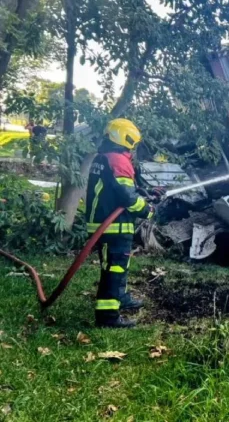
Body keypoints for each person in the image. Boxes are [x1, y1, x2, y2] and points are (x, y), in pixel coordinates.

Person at [85, 119, 154, 328]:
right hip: (113, 226)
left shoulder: (104, 157)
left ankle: (120, 297)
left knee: (118, 266)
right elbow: (127, 197)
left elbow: (117, 188)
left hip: (106, 224)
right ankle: (107, 317)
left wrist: (143, 192)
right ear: (128, 138)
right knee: (114, 269)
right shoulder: (118, 160)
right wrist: (147, 210)